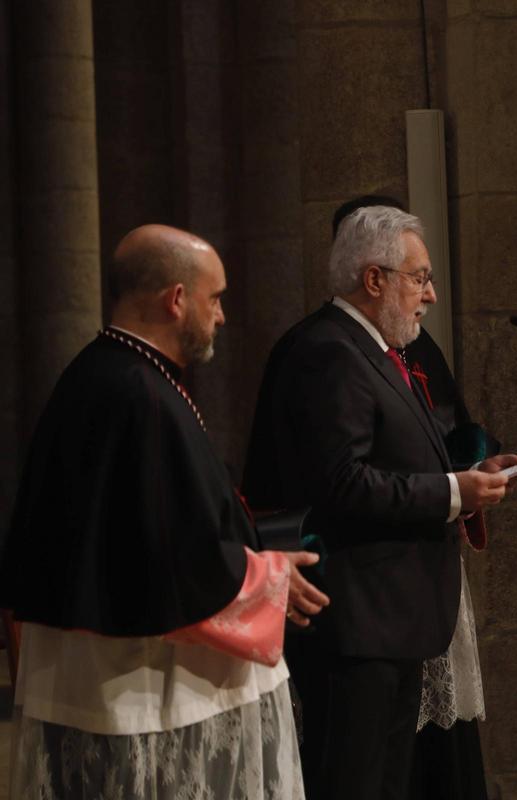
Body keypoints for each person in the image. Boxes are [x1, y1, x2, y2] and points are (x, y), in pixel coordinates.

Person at [0, 224, 329, 799]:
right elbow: (179, 563)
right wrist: (270, 576)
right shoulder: (141, 396)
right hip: (146, 685)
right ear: (177, 299)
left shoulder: (97, 373)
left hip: (95, 671)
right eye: (215, 297)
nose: (222, 316)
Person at [242, 205, 517, 799]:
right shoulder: (330, 351)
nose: (431, 295)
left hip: (389, 619)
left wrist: (467, 474)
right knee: (354, 785)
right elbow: (342, 482)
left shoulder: (378, 351)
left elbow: (398, 460)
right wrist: (453, 493)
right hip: (357, 622)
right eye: (419, 278)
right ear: (375, 280)